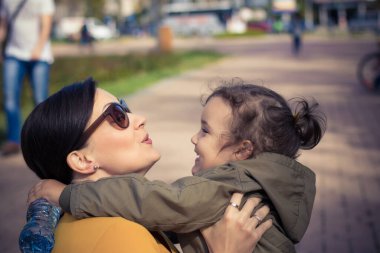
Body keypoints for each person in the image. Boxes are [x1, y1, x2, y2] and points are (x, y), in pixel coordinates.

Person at [28, 78, 326, 253]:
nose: (139, 117)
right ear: (81, 159)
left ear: (243, 150)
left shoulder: (101, 222)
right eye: (117, 116)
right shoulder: (121, 240)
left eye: (126, 107)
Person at [0, 0, 54, 155]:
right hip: (14, 53)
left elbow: (46, 25)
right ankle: (13, 140)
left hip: (39, 55)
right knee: (10, 98)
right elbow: (3, 25)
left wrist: (37, 49)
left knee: (40, 99)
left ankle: (43, 139)